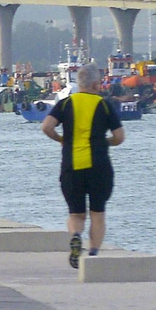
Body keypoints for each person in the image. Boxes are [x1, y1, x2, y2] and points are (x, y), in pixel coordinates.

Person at [42, 62, 125, 268]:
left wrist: (61, 139)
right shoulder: (104, 104)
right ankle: (94, 254)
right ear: (97, 84)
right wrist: (106, 142)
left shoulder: (65, 103)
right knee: (98, 213)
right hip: (99, 167)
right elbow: (119, 137)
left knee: (76, 213)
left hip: (72, 166)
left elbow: (46, 127)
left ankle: (76, 236)